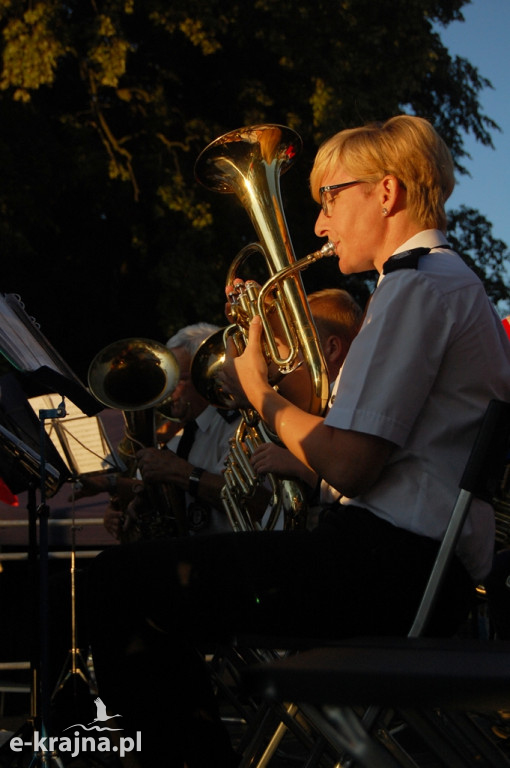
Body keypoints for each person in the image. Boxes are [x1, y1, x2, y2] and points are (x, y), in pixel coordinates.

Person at [86, 115, 510, 768]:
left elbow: (352, 465)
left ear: (388, 192)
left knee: (122, 585)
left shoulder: (418, 288)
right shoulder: (439, 284)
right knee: (142, 583)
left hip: (391, 569)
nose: (318, 224)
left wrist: (261, 394)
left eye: (330, 197)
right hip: (407, 566)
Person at [102, 322, 243, 539]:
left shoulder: (235, 428)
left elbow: (244, 497)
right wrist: (127, 509)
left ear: (206, 376)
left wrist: (180, 472)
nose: (167, 391)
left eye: (180, 380)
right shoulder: (179, 440)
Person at [249, 287, 362, 498]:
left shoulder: (347, 400)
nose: (279, 357)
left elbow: (350, 481)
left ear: (331, 349)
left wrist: (298, 465)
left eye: (296, 344)